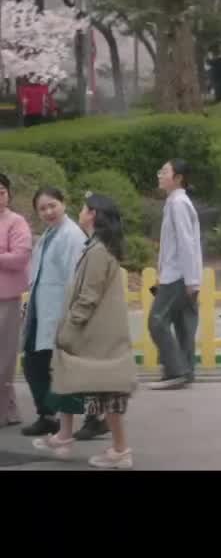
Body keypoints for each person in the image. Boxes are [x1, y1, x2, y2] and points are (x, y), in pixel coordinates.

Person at [32, 193, 137, 468]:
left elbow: (88, 296)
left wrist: (69, 328)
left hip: (98, 334)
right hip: (101, 334)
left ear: (92, 214)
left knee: (109, 392)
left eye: (83, 209)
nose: (80, 212)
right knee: (104, 391)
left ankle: (120, 451)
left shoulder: (98, 251)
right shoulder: (98, 247)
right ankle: (107, 447)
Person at [20, 188, 104, 439]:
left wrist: (74, 315)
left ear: (64, 204)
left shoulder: (71, 235)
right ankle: (48, 416)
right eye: (42, 208)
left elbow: (75, 278)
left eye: (52, 205)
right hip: (42, 311)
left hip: (63, 313)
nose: (48, 212)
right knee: (34, 363)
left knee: (75, 368)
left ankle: (97, 417)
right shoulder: (49, 234)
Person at [146, 159, 203, 390]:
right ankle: (185, 371)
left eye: (165, 171)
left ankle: (175, 371)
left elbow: (186, 243)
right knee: (183, 323)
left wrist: (191, 280)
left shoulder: (178, 203)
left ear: (178, 178)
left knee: (157, 321)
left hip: (177, 276)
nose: (160, 175)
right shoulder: (176, 202)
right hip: (180, 274)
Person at [0, 173, 33, 428]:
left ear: (8, 194)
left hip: (6, 298)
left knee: (5, 357)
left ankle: (3, 410)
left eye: (1, 192)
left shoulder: (16, 221)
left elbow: (20, 257)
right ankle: (10, 410)